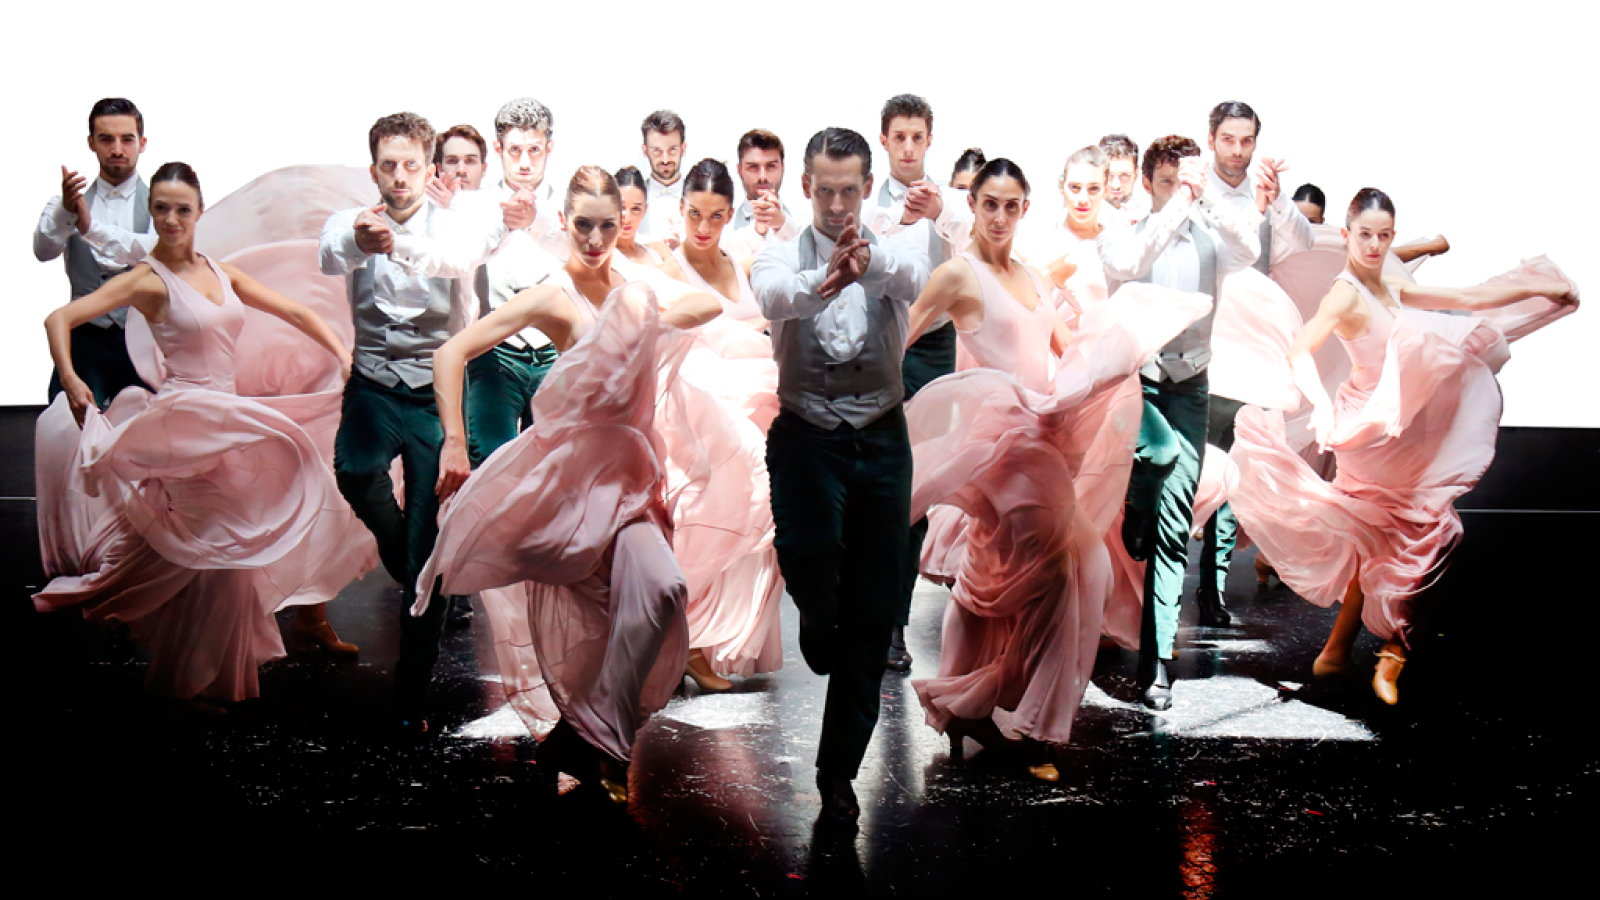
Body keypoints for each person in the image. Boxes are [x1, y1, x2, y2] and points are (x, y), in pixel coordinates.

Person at [420, 166, 723, 802]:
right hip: (579, 489)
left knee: (663, 590)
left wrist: (641, 305)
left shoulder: (636, 286)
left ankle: (584, 738)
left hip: (634, 483)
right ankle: (596, 743)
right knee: (614, 606)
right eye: (582, 224)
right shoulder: (553, 296)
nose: (593, 238)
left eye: (607, 226)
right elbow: (451, 353)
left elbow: (709, 304)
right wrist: (453, 442)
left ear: (624, 225)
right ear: (563, 223)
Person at [900, 158, 1207, 781]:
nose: (999, 217)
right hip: (1004, 448)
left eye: (1012, 206)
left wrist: (1110, 354)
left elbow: (1065, 357)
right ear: (975, 205)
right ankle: (1031, 726)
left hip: (1042, 442)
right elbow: (901, 335)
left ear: (1025, 210)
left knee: (1008, 574)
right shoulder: (962, 272)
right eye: (990, 204)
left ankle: (965, 703)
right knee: (1076, 568)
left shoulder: (1036, 279)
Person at [34, 162, 372, 710]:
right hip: (184, 422)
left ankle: (207, 674)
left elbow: (295, 310)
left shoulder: (220, 272)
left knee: (227, 553)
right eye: (161, 208)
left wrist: (342, 353)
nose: (170, 219)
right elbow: (59, 319)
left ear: (198, 212)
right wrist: (71, 380)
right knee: (209, 552)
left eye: (182, 209)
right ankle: (185, 678)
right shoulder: (146, 278)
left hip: (227, 419)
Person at [1230, 188, 1577, 704]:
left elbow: (1465, 299)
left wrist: (1539, 286)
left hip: (1402, 426)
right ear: (1347, 235)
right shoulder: (1345, 293)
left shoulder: (1387, 279)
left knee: (1382, 540)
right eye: (1365, 235)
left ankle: (1334, 653)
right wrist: (1322, 408)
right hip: (1369, 431)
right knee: (1436, 533)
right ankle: (1395, 650)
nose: (1374, 246)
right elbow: (1302, 350)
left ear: (1392, 237)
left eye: (1384, 236)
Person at [750, 127, 930, 825]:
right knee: (810, 553)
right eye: (823, 190)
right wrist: (818, 284)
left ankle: (837, 777)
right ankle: (814, 619)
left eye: (848, 190)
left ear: (864, 185)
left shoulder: (895, 241)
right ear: (806, 188)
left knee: (874, 608)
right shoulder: (776, 250)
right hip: (805, 435)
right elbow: (770, 296)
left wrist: (871, 263)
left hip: (882, 436)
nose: (835, 204)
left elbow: (915, 277)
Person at [320, 112, 508, 735]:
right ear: (372, 170)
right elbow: (327, 253)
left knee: (428, 551)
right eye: (387, 166)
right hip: (373, 386)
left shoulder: (457, 225)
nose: (398, 178)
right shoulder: (351, 225)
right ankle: (397, 547)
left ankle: (411, 690)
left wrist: (394, 243)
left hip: (435, 395)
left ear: (428, 169)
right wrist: (358, 240)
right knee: (354, 470)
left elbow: (455, 262)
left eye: (410, 165)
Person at [1098, 135, 1261, 710]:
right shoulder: (1126, 227)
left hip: (1191, 388)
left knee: (1174, 532)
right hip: (1137, 385)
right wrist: (1171, 209)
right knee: (1155, 462)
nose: (1180, 192)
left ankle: (1159, 661)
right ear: (1148, 184)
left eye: (1184, 180)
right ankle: (1135, 505)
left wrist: (1208, 196)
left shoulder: (1212, 233)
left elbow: (1250, 248)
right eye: (1167, 182)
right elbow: (1127, 263)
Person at [1191, 101, 1318, 627]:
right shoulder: (1194, 189)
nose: (1238, 151)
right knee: (1195, 468)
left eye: (1246, 141)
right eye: (1228, 139)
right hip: (1207, 344)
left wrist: (1276, 201)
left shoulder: (1265, 194)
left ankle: (1213, 587)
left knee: (1238, 470)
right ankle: (1170, 580)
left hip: (1256, 355)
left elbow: (1304, 243)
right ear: (1212, 138)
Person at [863, 93, 972, 672]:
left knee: (916, 490)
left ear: (929, 141)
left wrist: (941, 217)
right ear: (884, 140)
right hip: (879, 342)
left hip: (932, 347)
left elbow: (977, 255)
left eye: (917, 137)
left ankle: (896, 626)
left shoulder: (951, 205)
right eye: (898, 136)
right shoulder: (865, 202)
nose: (907, 147)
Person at [453, 98, 566, 469]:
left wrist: (536, 220)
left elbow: (577, 255)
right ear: (498, 149)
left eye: (534, 150)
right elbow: (458, 259)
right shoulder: (472, 206)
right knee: (489, 460)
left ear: (549, 148)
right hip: (493, 349)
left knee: (554, 463)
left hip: (556, 351)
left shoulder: (568, 203)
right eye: (515, 150)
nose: (524, 162)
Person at [35, 98, 157, 409]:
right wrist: (66, 208)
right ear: (91, 143)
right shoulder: (64, 203)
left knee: (149, 435)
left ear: (142, 143)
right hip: (84, 338)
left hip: (145, 337)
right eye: (106, 139)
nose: (117, 149)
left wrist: (90, 229)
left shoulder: (163, 205)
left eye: (127, 139)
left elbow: (154, 252)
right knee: (70, 423)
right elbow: (43, 250)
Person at [1020, 145, 1112, 323]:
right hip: (1068, 346)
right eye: (1075, 187)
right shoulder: (1053, 245)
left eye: (1093, 189)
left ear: (1106, 190)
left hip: (1112, 346)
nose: (1083, 199)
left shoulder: (1116, 239)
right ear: (1062, 187)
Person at [723, 129, 807, 258]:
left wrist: (783, 225)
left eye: (771, 166)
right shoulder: (724, 221)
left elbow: (811, 262)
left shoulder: (803, 218)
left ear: (782, 168)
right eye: (753, 167)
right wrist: (757, 232)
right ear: (739, 170)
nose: (763, 176)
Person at [613, 166, 684, 275]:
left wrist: (680, 251)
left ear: (644, 210)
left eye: (636, 209)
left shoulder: (659, 249)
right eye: (621, 208)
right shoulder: (604, 257)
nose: (627, 219)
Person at [638, 110, 688, 244]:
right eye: (657, 150)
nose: (665, 160)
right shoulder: (632, 200)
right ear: (645, 151)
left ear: (683, 149)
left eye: (672, 149)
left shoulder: (700, 197)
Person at [428, 123, 489, 208]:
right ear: (439, 169)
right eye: (452, 161)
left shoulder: (500, 210)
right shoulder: (421, 208)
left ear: (483, 169)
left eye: (470, 161)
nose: (461, 170)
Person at [1098, 134, 1148, 227]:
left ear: (1136, 174)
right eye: (1109, 175)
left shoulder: (1150, 223)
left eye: (1124, 175)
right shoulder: (1076, 221)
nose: (1116, 185)